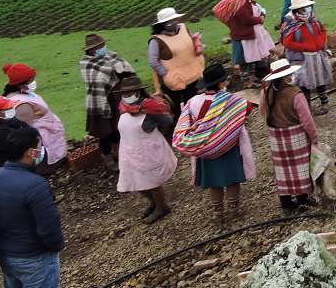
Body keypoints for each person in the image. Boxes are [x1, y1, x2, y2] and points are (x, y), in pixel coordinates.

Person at [0, 126, 63, 288]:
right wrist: (55, 247)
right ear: (29, 152)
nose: (41, 149)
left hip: (7, 257)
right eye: (38, 146)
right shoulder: (35, 185)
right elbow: (49, 229)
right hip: (35, 259)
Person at [177, 63, 255, 228]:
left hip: (205, 149)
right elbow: (247, 110)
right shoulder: (233, 101)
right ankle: (234, 209)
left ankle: (217, 214)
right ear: (221, 83)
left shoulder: (193, 102)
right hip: (229, 145)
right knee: (232, 179)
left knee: (214, 181)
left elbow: (186, 124)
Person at [115, 74, 176, 223]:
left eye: (130, 93)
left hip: (147, 151)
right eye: (125, 93)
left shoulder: (150, 107)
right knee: (136, 182)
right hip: (129, 150)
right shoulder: (123, 107)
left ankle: (161, 207)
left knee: (152, 182)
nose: (126, 96)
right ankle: (154, 203)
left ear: (138, 92)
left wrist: (152, 121)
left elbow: (168, 120)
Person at [260, 58, 318, 214]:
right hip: (296, 135)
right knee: (301, 168)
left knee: (282, 170)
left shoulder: (266, 92)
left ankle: (286, 203)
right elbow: (306, 120)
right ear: (287, 75)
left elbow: (263, 113)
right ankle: (302, 199)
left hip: (276, 137)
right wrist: (314, 137)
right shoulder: (295, 94)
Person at [78, 34, 136, 170]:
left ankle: (121, 154)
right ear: (90, 50)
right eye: (98, 47)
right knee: (104, 132)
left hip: (116, 98)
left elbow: (127, 72)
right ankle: (108, 157)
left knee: (118, 127)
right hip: (99, 100)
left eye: (102, 45)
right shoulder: (87, 63)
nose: (101, 48)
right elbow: (95, 83)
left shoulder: (112, 56)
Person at [2, 64, 66, 172]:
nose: (33, 82)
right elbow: (26, 130)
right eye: (30, 80)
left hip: (50, 136)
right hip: (42, 142)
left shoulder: (25, 93)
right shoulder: (20, 104)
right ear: (20, 84)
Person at [279, 0, 332, 114]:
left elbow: (322, 30)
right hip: (302, 58)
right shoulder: (291, 23)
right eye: (304, 7)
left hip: (317, 54)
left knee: (320, 79)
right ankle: (306, 109)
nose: (307, 9)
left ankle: (325, 103)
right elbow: (287, 42)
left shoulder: (313, 19)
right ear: (297, 10)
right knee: (304, 83)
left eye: (308, 6)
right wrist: (306, 47)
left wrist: (320, 42)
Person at [148, 6, 206, 116]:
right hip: (175, 81)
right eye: (169, 22)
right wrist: (165, 73)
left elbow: (193, 41)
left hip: (193, 75)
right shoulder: (156, 40)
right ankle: (180, 128)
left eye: (174, 20)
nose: (173, 23)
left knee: (194, 105)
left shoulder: (184, 28)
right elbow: (153, 61)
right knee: (176, 109)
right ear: (162, 24)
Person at [217, 0, 274, 85]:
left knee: (252, 60)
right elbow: (246, 19)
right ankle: (248, 83)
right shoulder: (240, 2)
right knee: (247, 62)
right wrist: (260, 19)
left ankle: (252, 81)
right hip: (245, 36)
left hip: (246, 34)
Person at [0, 97, 28, 169]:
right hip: (7, 168)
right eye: (7, 109)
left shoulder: (4, 121)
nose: (12, 109)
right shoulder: (0, 132)